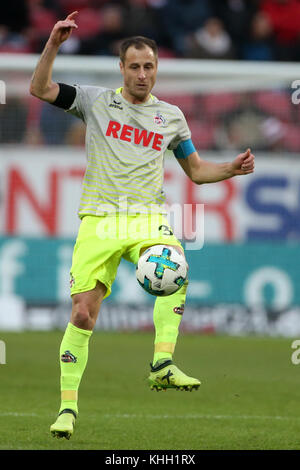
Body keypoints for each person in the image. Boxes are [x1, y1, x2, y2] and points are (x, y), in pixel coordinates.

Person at [29, 11, 255, 440]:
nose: (142, 74)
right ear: (121, 68)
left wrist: (232, 168)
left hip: (148, 218)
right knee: (82, 313)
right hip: (99, 220)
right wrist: (54, 43)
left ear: (156, 68)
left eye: (149, 66)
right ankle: (67, 409)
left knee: (176, 266)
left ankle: (162, 364)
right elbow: (38, 89)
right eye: (134, 66)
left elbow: (197, 170)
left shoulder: (170, 117)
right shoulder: (95, 101)